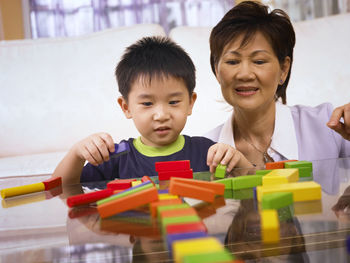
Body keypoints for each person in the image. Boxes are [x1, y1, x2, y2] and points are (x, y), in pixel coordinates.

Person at [53, 36, 251, 185]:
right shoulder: (116, 158)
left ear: (190, 103)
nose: (161, 115)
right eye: (147, 104)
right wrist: (76, 154)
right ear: (126, 107)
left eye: (173, 102)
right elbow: (59, 189)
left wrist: (237, 159)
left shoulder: (206, 151)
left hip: (195, 238)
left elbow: (251, 186)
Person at [205, 1, 350, 167]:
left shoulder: (329, 126)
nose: (244, 74)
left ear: (283, 69)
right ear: (217, 71)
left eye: (259, 61)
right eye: (232, 61)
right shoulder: (204, 149)